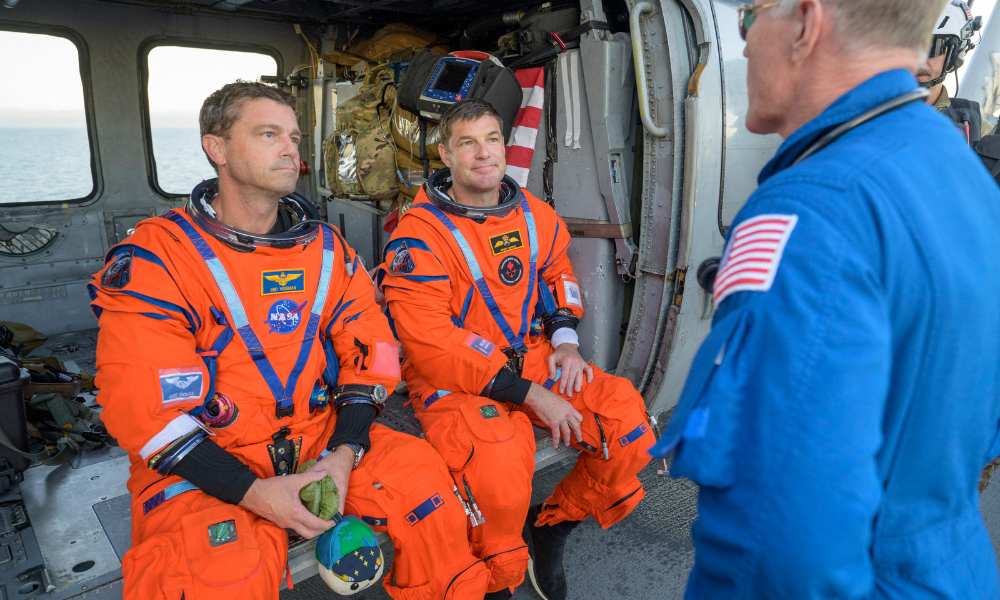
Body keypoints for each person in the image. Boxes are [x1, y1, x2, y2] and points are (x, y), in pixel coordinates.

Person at [649, 1, 1000, 599]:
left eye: (747, 22)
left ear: (806, 25)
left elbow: (777, 545)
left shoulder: (809, 213)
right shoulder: (959, 170)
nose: (745, 46)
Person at [89, 82, 490, 600]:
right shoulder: (159, 258)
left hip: (318, 435)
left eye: (294, 137)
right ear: (217, 148)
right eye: (267, 134)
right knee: (217, 574)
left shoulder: (327, 251)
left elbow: (373, 355)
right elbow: (144, 411)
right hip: (211, 452)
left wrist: (345, 452)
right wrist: (254, 494)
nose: (289, 149)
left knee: (427, 486)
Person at [376, 99, 654, 600]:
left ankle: (553, 527)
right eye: (468, 143)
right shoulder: (418, 237)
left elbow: (557, 277)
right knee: (497, 464)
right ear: (445, 153)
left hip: (534, 355)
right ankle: (498, 578)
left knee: (625, 422)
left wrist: (566, 345)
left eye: (493, 139)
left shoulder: (534, 215)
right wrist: (530, 394)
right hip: (451, 374)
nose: (484, 154)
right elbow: (432, 342)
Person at [917, 0, 989, 143]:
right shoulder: (862, 109)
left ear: (955, 53)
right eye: (905, 47)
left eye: (932, 47)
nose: (918, 60)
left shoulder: (980, 134)